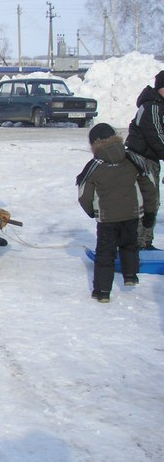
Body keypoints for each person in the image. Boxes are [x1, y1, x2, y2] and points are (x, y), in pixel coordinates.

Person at [77, 123, 157, 303]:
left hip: (107, 218)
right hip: (131, 214)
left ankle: (102, 291)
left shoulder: (94, 165)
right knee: (130, 244)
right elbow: (149, 186)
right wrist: (149, 213)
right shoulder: (133, 159)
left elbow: (83, 195)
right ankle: (130, 276)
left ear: (93, 144)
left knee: (105, 253)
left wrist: (92, 212)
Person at [124, 69, 164, 250]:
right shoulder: (152, 107)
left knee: (153, 201)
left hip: (152, 160)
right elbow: (156, 136)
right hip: (142, 161)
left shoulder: (158, 105)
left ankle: (146, 240)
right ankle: (139, 242)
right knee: (146, 200)